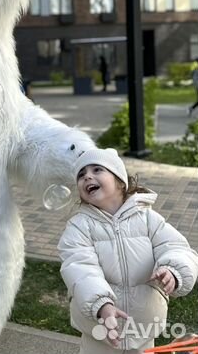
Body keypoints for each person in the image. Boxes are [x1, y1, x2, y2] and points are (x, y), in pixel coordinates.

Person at [57, 148, 198, 354]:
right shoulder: (79, 226)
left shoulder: (148, 219)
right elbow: (80, 267)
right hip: (99, 330)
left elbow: (176, 247)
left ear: (120, 181)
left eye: (97, 169)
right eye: (81, 174)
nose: (88, 176)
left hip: (143, 327)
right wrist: (101, 305)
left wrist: (173, 271)